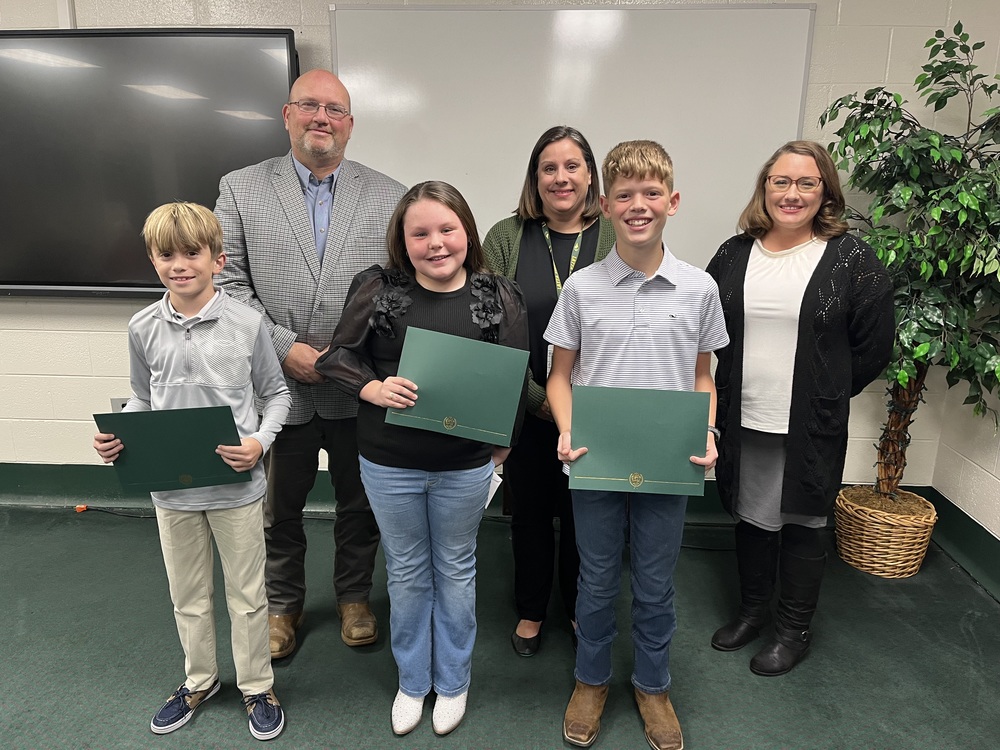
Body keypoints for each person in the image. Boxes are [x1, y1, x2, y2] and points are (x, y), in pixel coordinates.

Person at [315, 181, 529, 737]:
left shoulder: (499, 294)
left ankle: (453, 683)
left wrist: (502, 448)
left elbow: (513, 379)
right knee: (408, 571)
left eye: (447, 229)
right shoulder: (378, 287)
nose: (436, 243)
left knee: (456, 569)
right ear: (402, 239)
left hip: (465, 464)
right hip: (389, 461)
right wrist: (372, 389)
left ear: (467, 232)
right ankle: (414, 681)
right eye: (420, 233)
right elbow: (337, 357)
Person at [214, 69, 406, 658]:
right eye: (309, 106)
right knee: (279, 510)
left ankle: (353, 599)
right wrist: (281, 346)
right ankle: (282, 607)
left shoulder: (389, 194)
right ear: (287, 114)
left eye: (335, 110)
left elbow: (399, 289)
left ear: (349, 124)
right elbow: (227, 282)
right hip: (279, 385)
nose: (321, 118)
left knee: (360, 503)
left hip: (358, 389)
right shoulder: (241, 188)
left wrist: (351, 362)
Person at [545, 141, 729, 750]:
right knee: (596, 579)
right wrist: (569, 430)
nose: (638, 205)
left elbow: (704, 377)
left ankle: (653, 685)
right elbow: (559, 376)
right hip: (597, 459)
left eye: (651, 193)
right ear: (605, 205)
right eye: (624, 195)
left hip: (668, 461)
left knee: (655, 581)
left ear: (672, 202)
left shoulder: (700, 289)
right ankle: (591, 679)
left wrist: (706, 431)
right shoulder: (581, 287)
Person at [93, 202, 292, 741]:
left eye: (191, 252)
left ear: (218, 260)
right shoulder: (142, 327)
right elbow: (141, 397)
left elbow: (276, 395)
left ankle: (256, 686)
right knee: (188, 593)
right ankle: (200, 680)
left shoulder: (248, 324)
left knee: (248, 594)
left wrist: (258, 443)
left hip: (237, 487)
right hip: (172, 491)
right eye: (165, 254)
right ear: (153, 262)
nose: (179, 264)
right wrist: (120, 435)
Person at [706, 140, 894, 676]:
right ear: (764, 188)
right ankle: (751, 612)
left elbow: (874, 345)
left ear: (825, 191)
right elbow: (706, 330)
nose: (792, 193)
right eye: (780, 182)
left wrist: (826, 393)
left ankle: (793, 631)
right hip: (743, 415)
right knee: (752, 516)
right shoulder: (734, 252)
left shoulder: (851, 258)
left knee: (805, 521)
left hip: (810, 423)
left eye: (806, 182)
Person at [484, 125, 616, 658]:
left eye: (572, 166)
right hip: (526, 405)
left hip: (598, 408)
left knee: (591, 516)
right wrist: (539, 400)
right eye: (549, 168)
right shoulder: (504, 237)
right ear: (535, 178)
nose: (561, 178)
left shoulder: (616, 232)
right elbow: (488, 328)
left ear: (590, 176)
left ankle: (584, 607)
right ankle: (532, 609)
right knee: (533, 513)